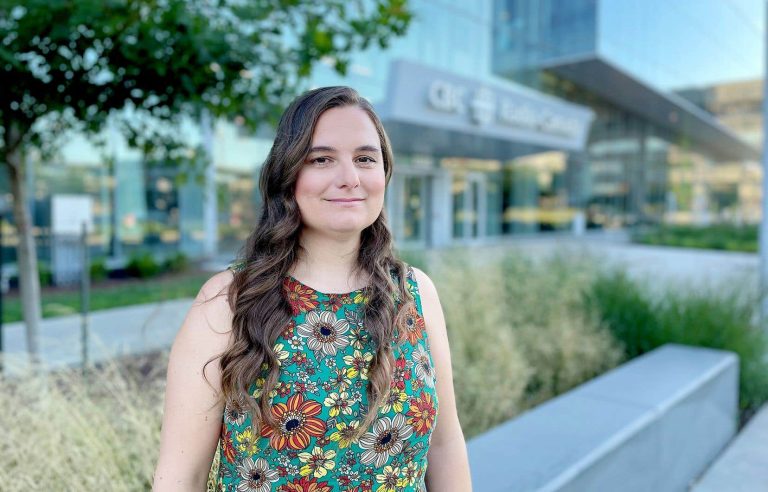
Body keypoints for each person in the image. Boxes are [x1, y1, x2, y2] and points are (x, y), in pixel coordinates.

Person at [153, 86, 472, 491]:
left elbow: (444, 447)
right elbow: (181, 478)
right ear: (288, 175)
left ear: (384, 173)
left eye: (365, 159)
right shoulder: (228, 301)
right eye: (321, 159)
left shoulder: (415, 292)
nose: (349, 178)